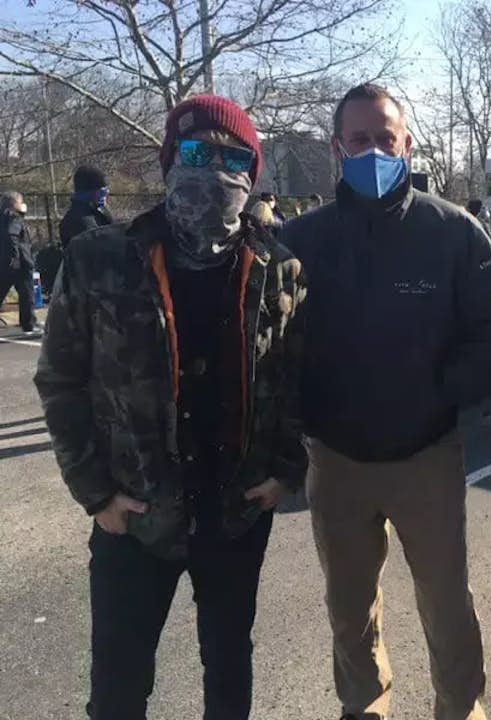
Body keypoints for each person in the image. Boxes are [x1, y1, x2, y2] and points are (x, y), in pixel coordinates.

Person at [35, 95, 307, 720]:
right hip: (134, 517)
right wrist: (94, 492)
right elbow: (61, 379)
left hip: (235, 513)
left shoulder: (279, 268)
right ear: (167, 162)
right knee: (120, 686)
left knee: (229, 673)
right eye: (194, 151)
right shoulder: (100, 258)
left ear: (253, 172)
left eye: (233, 156)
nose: (213, 168)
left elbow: (295, 376)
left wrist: (285, 471)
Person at [281, 82, 491, 720]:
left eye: (386, 138)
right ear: (338, 150)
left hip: (426, 456)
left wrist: (444, 394)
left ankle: (461, 710)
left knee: (446, 604)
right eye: (360, 140)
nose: (374, 151)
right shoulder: (301, 242)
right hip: (336, 460)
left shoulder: (454, 233)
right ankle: (366, 707)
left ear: (407, 143)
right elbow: (272, 348)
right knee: (349, 609)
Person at [0, 190, 38, 334]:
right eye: (21, 202)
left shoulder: (2, 218)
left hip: (4, 262)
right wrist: (15, 257)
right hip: (20, 263)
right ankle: (29, 325)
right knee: (27, 294)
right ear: (15, 204)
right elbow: (12, 236)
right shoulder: (14, 218)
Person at [59, 165, 114, 250]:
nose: (105, 197)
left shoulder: (98, 213)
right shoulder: (80, 222)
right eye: (102, 193)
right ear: (91, 193)